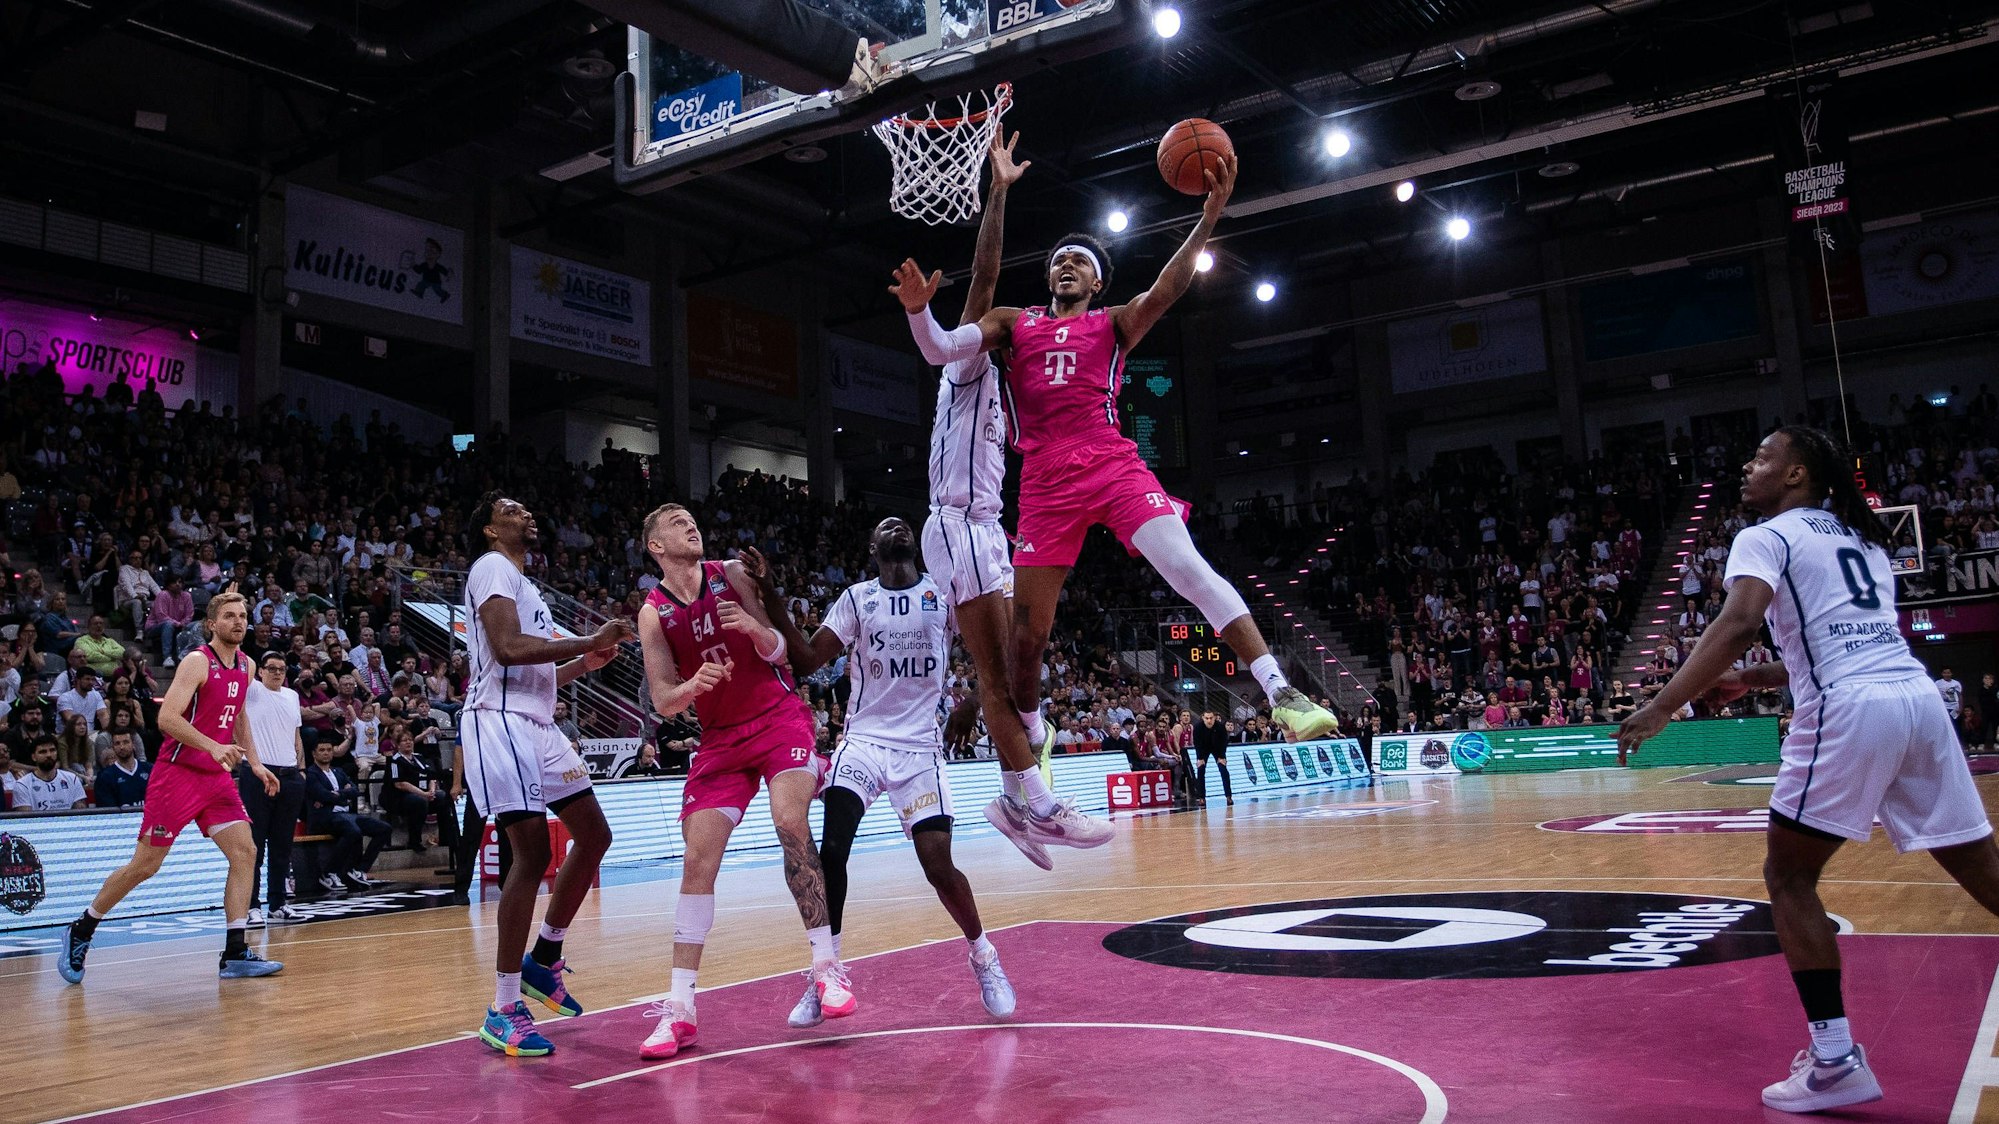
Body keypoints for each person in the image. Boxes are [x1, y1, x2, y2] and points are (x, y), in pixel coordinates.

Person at [893, 138, 1339, 766]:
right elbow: (941, 348)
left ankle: (1281, 693)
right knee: (1028, 638)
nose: (1066, 265)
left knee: (1188, 569)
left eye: (1079, 261)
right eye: (1059, 260)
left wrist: (1209, 218)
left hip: (1110, 463)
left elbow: (1166, 289)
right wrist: (920, 312)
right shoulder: (1013, 323)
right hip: (1044, 480)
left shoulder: (1113, 323)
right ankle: (1036, 730)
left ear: (1097, 280)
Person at [1618, 426, 1999, 1115]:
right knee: (1983, 871)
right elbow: (1843, 640)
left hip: (1850, 710)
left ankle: (1834, 1060)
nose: (1748, 465)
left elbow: (1739, 621)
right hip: (1914, 700)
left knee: (1789, 877)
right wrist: (1753, 677)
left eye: (1762, 456)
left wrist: (1662, 705)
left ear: (1796, 474)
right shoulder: (1863, 540)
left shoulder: (1766, 535)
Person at [906, 131, 1108, 868]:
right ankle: (1036, 800)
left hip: (990, 530)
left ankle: (1010, 798)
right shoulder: (971, 368)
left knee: (1025, 657)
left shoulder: (1022, 386)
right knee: (997, 674)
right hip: (956, 523)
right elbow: (985, 285)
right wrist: (997, 192)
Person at [746, 518, 1016, 1030]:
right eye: (885, 527)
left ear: (915, 544)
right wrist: (772, 594)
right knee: (832, 850)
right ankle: (825, 971)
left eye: (903, 525)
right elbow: (806, 659)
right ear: (873, 548)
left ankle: (984, 955)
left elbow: (995, 653)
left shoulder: (943, 594)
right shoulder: (857, 599)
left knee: (938, 865)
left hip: (920, 750)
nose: (897, 528)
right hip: (864, 743)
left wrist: (971, 704)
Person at [635, 502, 845, 1061]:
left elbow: (785, 653)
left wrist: (755, 629)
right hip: (721, 740)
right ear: (656, 546)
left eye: (691, 520)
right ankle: (680, 1009)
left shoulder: (730, 573)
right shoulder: (653, 614)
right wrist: (692, 687)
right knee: (697, 859)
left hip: (778, 718)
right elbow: (663, 699)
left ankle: (826, 967)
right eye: (676, 523)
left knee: (789, 820)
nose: (690, 525)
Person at [460, 493, 630, 1057]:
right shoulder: (491, 567)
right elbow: (509, 650)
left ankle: (545, 957)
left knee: (595, 835)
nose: (527, 513)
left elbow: (538, 672)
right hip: (499, 720)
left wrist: (584, 662)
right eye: (511, 509)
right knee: (531, 855)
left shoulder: (526, 587)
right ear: (490, 530)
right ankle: (503, 1008)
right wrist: (590, 639)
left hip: (537, 723)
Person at [57, 592, 286, 983]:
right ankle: (82, 928)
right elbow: (166, 718)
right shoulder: (197, 661)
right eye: (229, 616)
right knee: (146, 865)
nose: (238, 622)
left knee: (245, 851)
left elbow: (238, 715)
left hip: (215, 778)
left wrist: (255, 762)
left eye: (243, 616)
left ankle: (235, 952)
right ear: (211, 624)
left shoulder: (247, 665)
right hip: (177, 774)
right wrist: (213, 746)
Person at [243, 652, 307, 924]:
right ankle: (251, 905)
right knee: (254, 845)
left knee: (282, 845)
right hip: (258, 773)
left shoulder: (292, 696)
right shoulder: (252, 691)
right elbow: (244, 663)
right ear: (261, 671)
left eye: (281, 669)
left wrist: (301, 770)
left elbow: (296, 736)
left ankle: (278, 903)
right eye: (271, 668)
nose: (277, 673)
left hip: (290, 775)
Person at [304, 739, 390, 892]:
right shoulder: (311, 774)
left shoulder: (338, 771)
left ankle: (359, 869)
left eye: (329, 750)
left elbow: (355, 790)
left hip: (346, 814)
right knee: (353, 830)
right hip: (325, 816)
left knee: (384, 828)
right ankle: (329, 873)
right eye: (322, 750)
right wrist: (344, 793)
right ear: (314, 754)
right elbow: (323, 795)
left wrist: (337, 794)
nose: (326, 753)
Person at [7, 736, 87, 809]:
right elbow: (26, 818)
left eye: (52, 750)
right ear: (34, 757)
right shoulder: (23, 785)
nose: (49, 755)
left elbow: (81, 813)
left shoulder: (72, 779)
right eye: (43, 752)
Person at [93, 731, 150, 807]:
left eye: (126, 742)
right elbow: (107, 810)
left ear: (133, 744)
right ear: (113, 747)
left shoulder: (149, 769)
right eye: (117, 743)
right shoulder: (105, 777)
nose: (122, 747)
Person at [1192, 709, 1234, 806]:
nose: (1209, 720)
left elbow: (1224, 742)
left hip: (1217, 748)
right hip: (1203, 748)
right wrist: (1200, 758)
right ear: (1203, 718)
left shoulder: (1220, 726)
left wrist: (1222, 757)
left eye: (1211, 718)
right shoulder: (1197, 727)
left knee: (1223, 770)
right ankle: (1202, 798)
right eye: (1207, 718)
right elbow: (1197, 743)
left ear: (1214, 718)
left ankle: (1229, 796)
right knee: (1200, 769)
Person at [1936, 667, 1965, 752]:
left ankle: (1958, 744)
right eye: (1945, 673)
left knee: (1956, 726)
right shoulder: (1938, 683)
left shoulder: (1956, 683)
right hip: (1944, 707)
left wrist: (1960, 707)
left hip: (1954, 707)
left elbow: (1960, 695)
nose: (1947, 674)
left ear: (1951, 674)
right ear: (1942, 674)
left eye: (1948, 673)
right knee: (1944, 726)